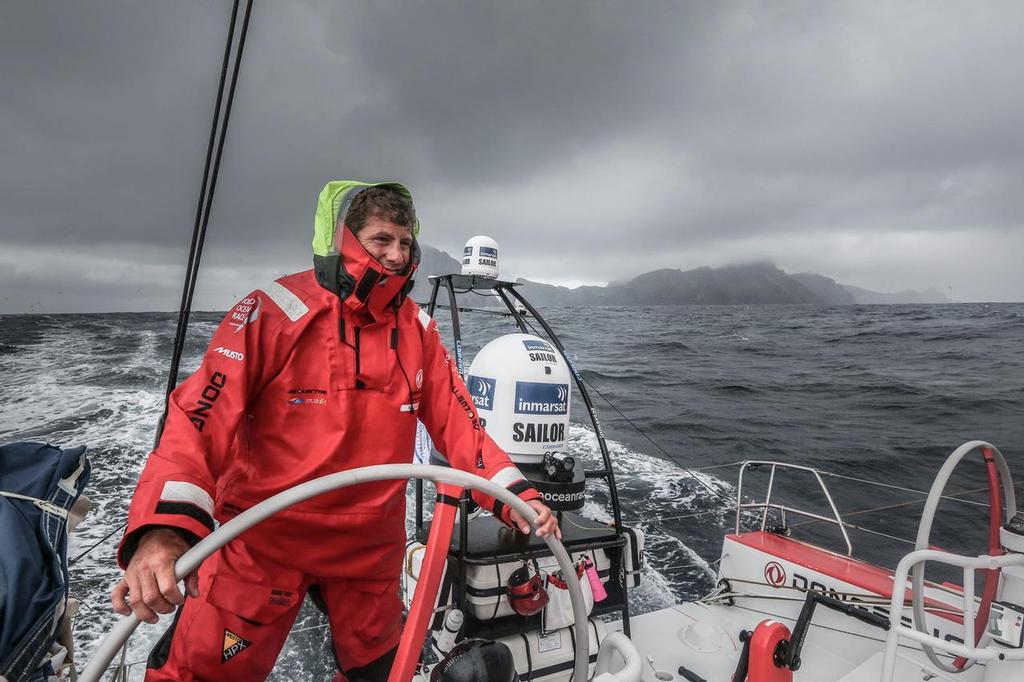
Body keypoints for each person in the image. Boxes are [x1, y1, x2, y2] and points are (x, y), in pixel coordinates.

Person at [111, 180, 559, 681]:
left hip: (369, 552)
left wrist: (517, 495)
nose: (395, 255)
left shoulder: (419, 331)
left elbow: (463, 426)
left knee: (380, 672)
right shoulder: (271, 312)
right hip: (263, 543)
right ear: (344, 240)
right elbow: (198, 419)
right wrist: (162, 531)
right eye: (380, 240)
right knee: (199, 673)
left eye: (405, 243)